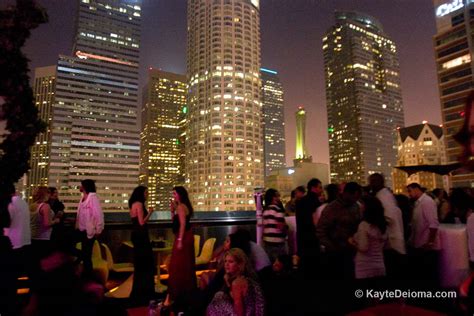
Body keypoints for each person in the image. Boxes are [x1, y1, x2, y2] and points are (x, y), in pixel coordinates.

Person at [165, 186, 197, 312]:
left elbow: (182, 224)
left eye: (175, 193)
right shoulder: (181, 207)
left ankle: (178, 295)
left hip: (183, 238)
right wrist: (172, 211)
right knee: (184, 266)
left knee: (178, 267)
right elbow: (177, 223)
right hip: (185, 236)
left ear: (180, 195)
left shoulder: (181, 207)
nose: (174, 196)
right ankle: (184, 295)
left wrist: (179, 241)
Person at [207, 248, 264, 316]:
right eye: (225, 261)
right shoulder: (244, 278)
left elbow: (240, 313)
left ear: (239, 264)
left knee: (218, 298)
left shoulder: (237, 283)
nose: (226, 264)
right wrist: (227, 282)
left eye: (231, 262)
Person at [406, 182, 440, 289]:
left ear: (417, 189)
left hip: (425, 246)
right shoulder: (418, 203)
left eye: (410, 191)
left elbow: (433, 224)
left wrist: (429, 242)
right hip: (420, 244)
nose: (409, 194)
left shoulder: (427, 202)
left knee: (428, 277)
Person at [350, 196, 388, 287]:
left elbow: (363, 247)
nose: (360, 206)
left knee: (366, 296)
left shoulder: (364, 225)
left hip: (365, 266)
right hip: (379, 264)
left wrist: (352, 242)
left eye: (362, 204)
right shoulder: (382, 224)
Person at [129, 186, 155, 303]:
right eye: (146, 192)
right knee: (145, 262)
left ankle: (140, 289)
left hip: (137, 235)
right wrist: (150, 213)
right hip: (141, 236)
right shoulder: (139, 204)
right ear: (141, 193)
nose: (147, 194)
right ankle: (145, 291)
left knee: (141, 263)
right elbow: (141, 222)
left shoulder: (134, 204)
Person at [75, 179, 104, 280]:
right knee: (85, 255)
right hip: (81, 230)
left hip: (89, 232)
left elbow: (98, 214)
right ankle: (86, 276)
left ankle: (88, 278)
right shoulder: (83, 197)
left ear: (85, 187)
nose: (80, 187)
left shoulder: (93, 198)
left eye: (81, 185)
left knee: (87, 257)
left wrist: (99, 229)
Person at [295, 178, 323, 278]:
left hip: (302, 238)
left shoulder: (300, 202)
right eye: (320, 187)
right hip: (313, 239)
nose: (321, 190)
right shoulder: (316, 203)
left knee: (304, 267)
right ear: (313, 188)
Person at [30, 187, 60, 267]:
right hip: (43, 238)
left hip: (32, 237)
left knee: (34, 262)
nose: (49, 195)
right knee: (44, 263)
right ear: (45, 194)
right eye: (48, 193)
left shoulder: (31, 206)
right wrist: (56, 221)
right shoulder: (45, 206)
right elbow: (47, 224)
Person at [262, 188, 288, 262]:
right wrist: (286, 228)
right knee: (280, 264)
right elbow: (281, 226)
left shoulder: (265, 210)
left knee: (270, 263)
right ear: (272, 197)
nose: (278, 198)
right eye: (276, 196)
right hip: (278, 242)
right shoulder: (278, 210)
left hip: (267, 241)